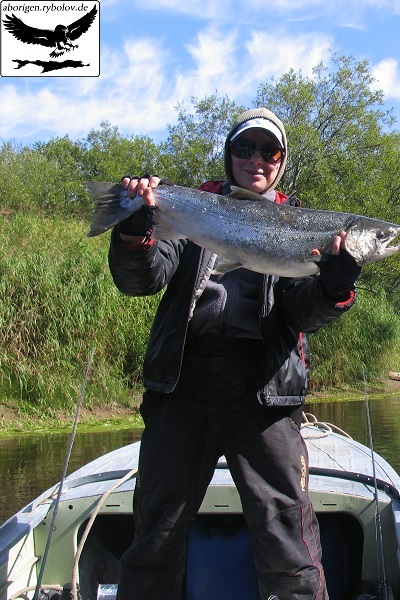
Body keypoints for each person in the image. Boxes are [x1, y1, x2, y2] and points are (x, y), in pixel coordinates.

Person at [109, 108, 360, 600]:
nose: (257, 159)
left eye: (270, 151)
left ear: (282, 162)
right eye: (245, 148)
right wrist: (133, 232)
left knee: (286, 534)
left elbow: (299, 313)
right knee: (156, 531)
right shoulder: (193, 208)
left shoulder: (302, 224)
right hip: (182, 383)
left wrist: (333, 288)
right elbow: (141, 279)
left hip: (264, 391)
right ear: (229, 155)